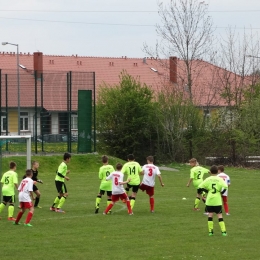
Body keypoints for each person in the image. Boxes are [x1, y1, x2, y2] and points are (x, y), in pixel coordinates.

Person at [198, 165, 228, 236]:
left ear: (210, 172)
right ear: (217, 171)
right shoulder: (219, 179)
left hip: (209, 200)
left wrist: (207, 191)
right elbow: (226, 186)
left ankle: (210, 232)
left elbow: (200, 187)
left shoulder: (208, 179)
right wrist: (221, 193)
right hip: (217, 200)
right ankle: (223, 232)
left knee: (210, 215)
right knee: (220, 215)